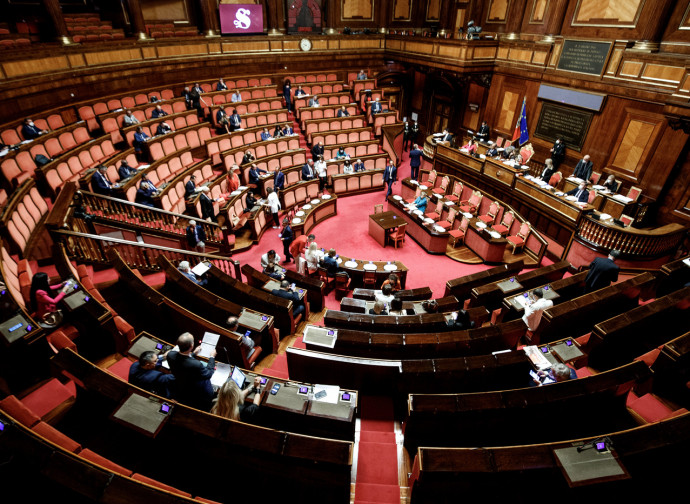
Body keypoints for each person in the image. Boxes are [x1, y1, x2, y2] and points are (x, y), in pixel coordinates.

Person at [166, 333, 216, 411]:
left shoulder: (170, 355)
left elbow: (183, 360)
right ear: (192, 346)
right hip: (197, 391)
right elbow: (208, 374)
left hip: (181, 384)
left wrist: (193, 354)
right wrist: (212, 357)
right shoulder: (196, 364)